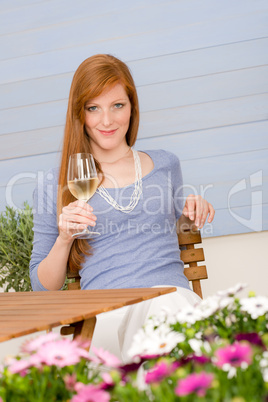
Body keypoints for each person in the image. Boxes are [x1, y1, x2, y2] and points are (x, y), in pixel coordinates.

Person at [29, 54, 214, 361]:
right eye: (93, 108)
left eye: (118, 105)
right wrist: (65, 238)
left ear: (132, 107)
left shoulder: (166, 164)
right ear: (80, 113)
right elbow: (42, 287)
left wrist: (194, 209)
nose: (107, 120)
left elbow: (178, 226)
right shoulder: (55, 184)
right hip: (108, 313)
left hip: (170, 300)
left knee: (167, 315)